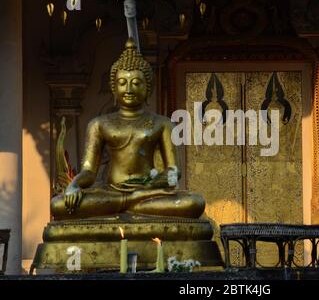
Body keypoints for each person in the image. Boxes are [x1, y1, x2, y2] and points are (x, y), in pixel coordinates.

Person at [51, 38, 205, 220]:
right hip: (111, 193)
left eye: (137, 83)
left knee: (194, 203)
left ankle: (129, 204)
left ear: (148, 88)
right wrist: (74, 185)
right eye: (123, 82)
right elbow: (89, 171)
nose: (129, 89)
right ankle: (130, 203)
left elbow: (173, 171)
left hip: (148, 193)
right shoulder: (99, 124)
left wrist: (149, 185)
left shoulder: (162, 123)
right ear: (114, 89)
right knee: (58, 205)